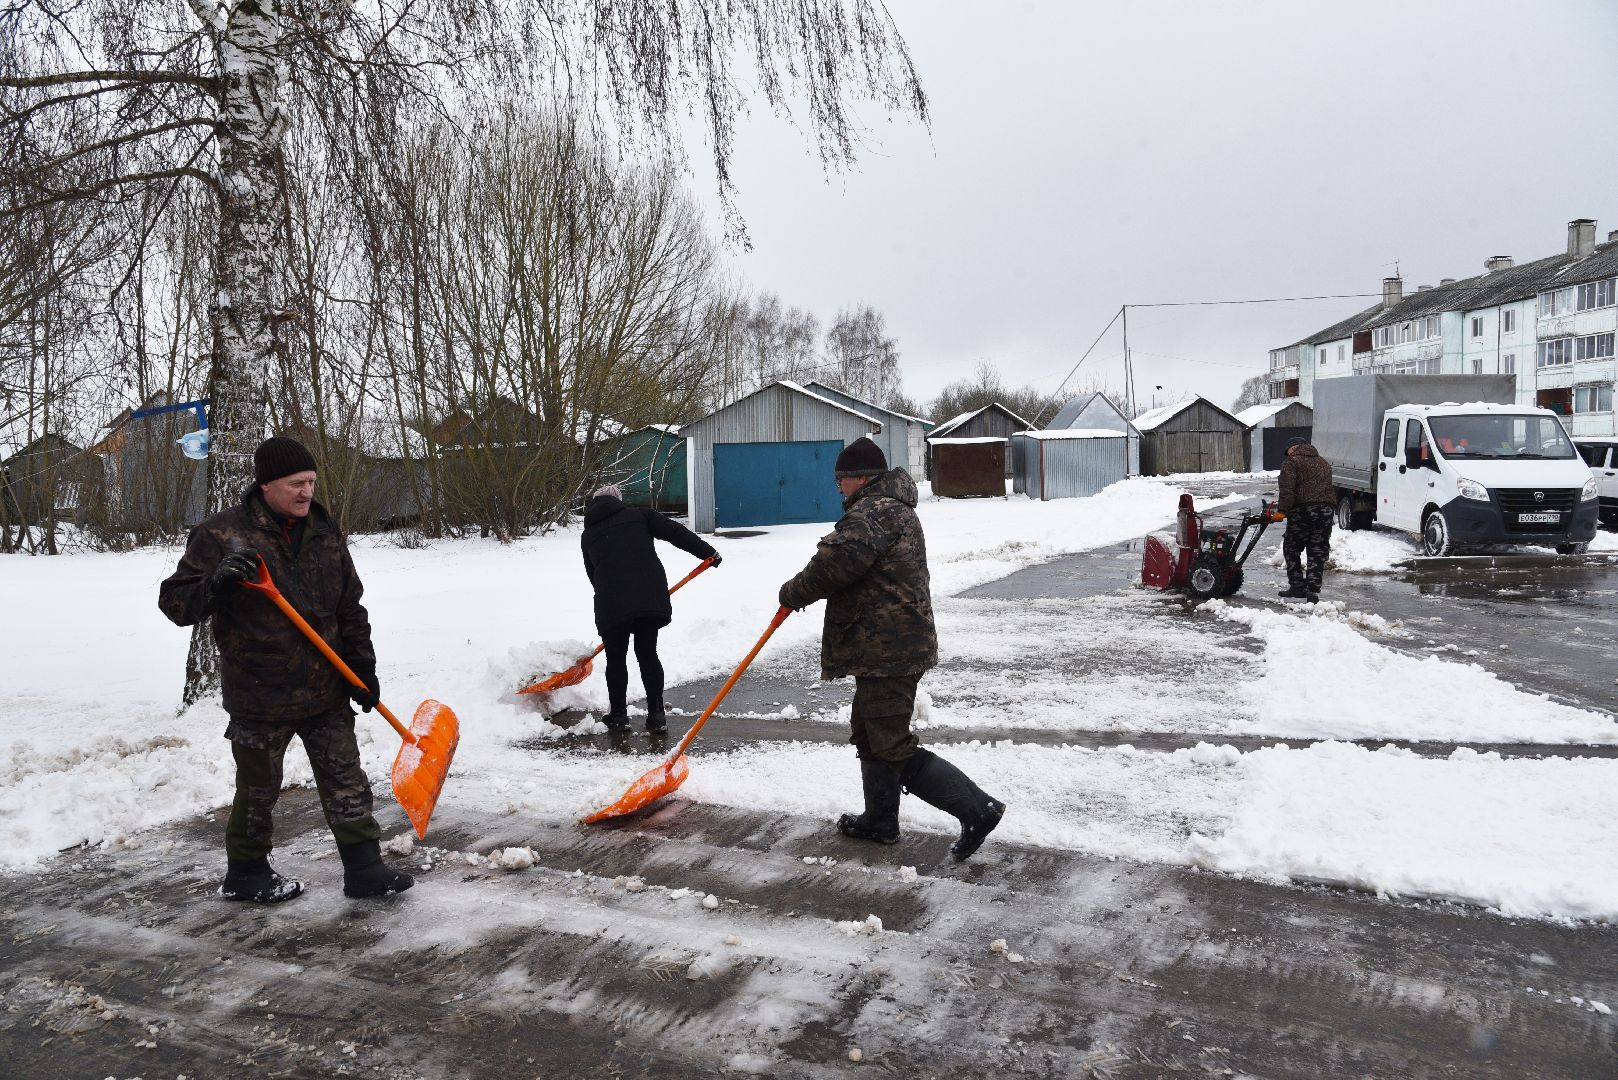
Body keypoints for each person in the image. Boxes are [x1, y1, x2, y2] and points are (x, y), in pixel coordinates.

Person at [158, 436, 414, 903]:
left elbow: (349, 606)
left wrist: (362, 668)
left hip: (326, 685)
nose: (306, 492)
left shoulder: (323, 530)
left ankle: (365, 870)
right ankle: (246, 874)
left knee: (346, 780)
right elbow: (175, 604)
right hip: (260, 690)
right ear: (266, 485)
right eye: (296, 483)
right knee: (258, 790)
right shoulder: (221, 534)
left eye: (311, 482)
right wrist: (217, 585)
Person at [778, 437, 1004, 861]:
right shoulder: (890, 509)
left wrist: (792, 592)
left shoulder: (874, 514)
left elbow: (834, 566)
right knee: (869, 732)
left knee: (890, 742)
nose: (838, 487)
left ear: (861, 478)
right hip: (883, 645)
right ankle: (880, 820)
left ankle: (978, 810)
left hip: (889, 648)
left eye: (841, 479)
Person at [581, 483, 720, 733]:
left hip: (611, 601)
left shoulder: (588, 534)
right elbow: (676, 532)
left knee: (615, 658)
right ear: (618, 500)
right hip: (648, 596)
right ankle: (657, 716)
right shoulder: (640, 515)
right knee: (647, 653)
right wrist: (707, 552)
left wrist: (613, 593)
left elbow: (593, 575)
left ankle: (619, 716)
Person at [1277, 436, 1336, 602]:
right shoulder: (1323, 463)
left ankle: (1297, 586)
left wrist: (1282, 511)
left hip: (1303, 510)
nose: (1288, 454)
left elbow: (1287, 489)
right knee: (1317, 549)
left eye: (1288, 451)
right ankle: (1312, 591)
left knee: (1291, 548)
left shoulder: (1292, 461)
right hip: (1326, 511)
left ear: (1293, 448)